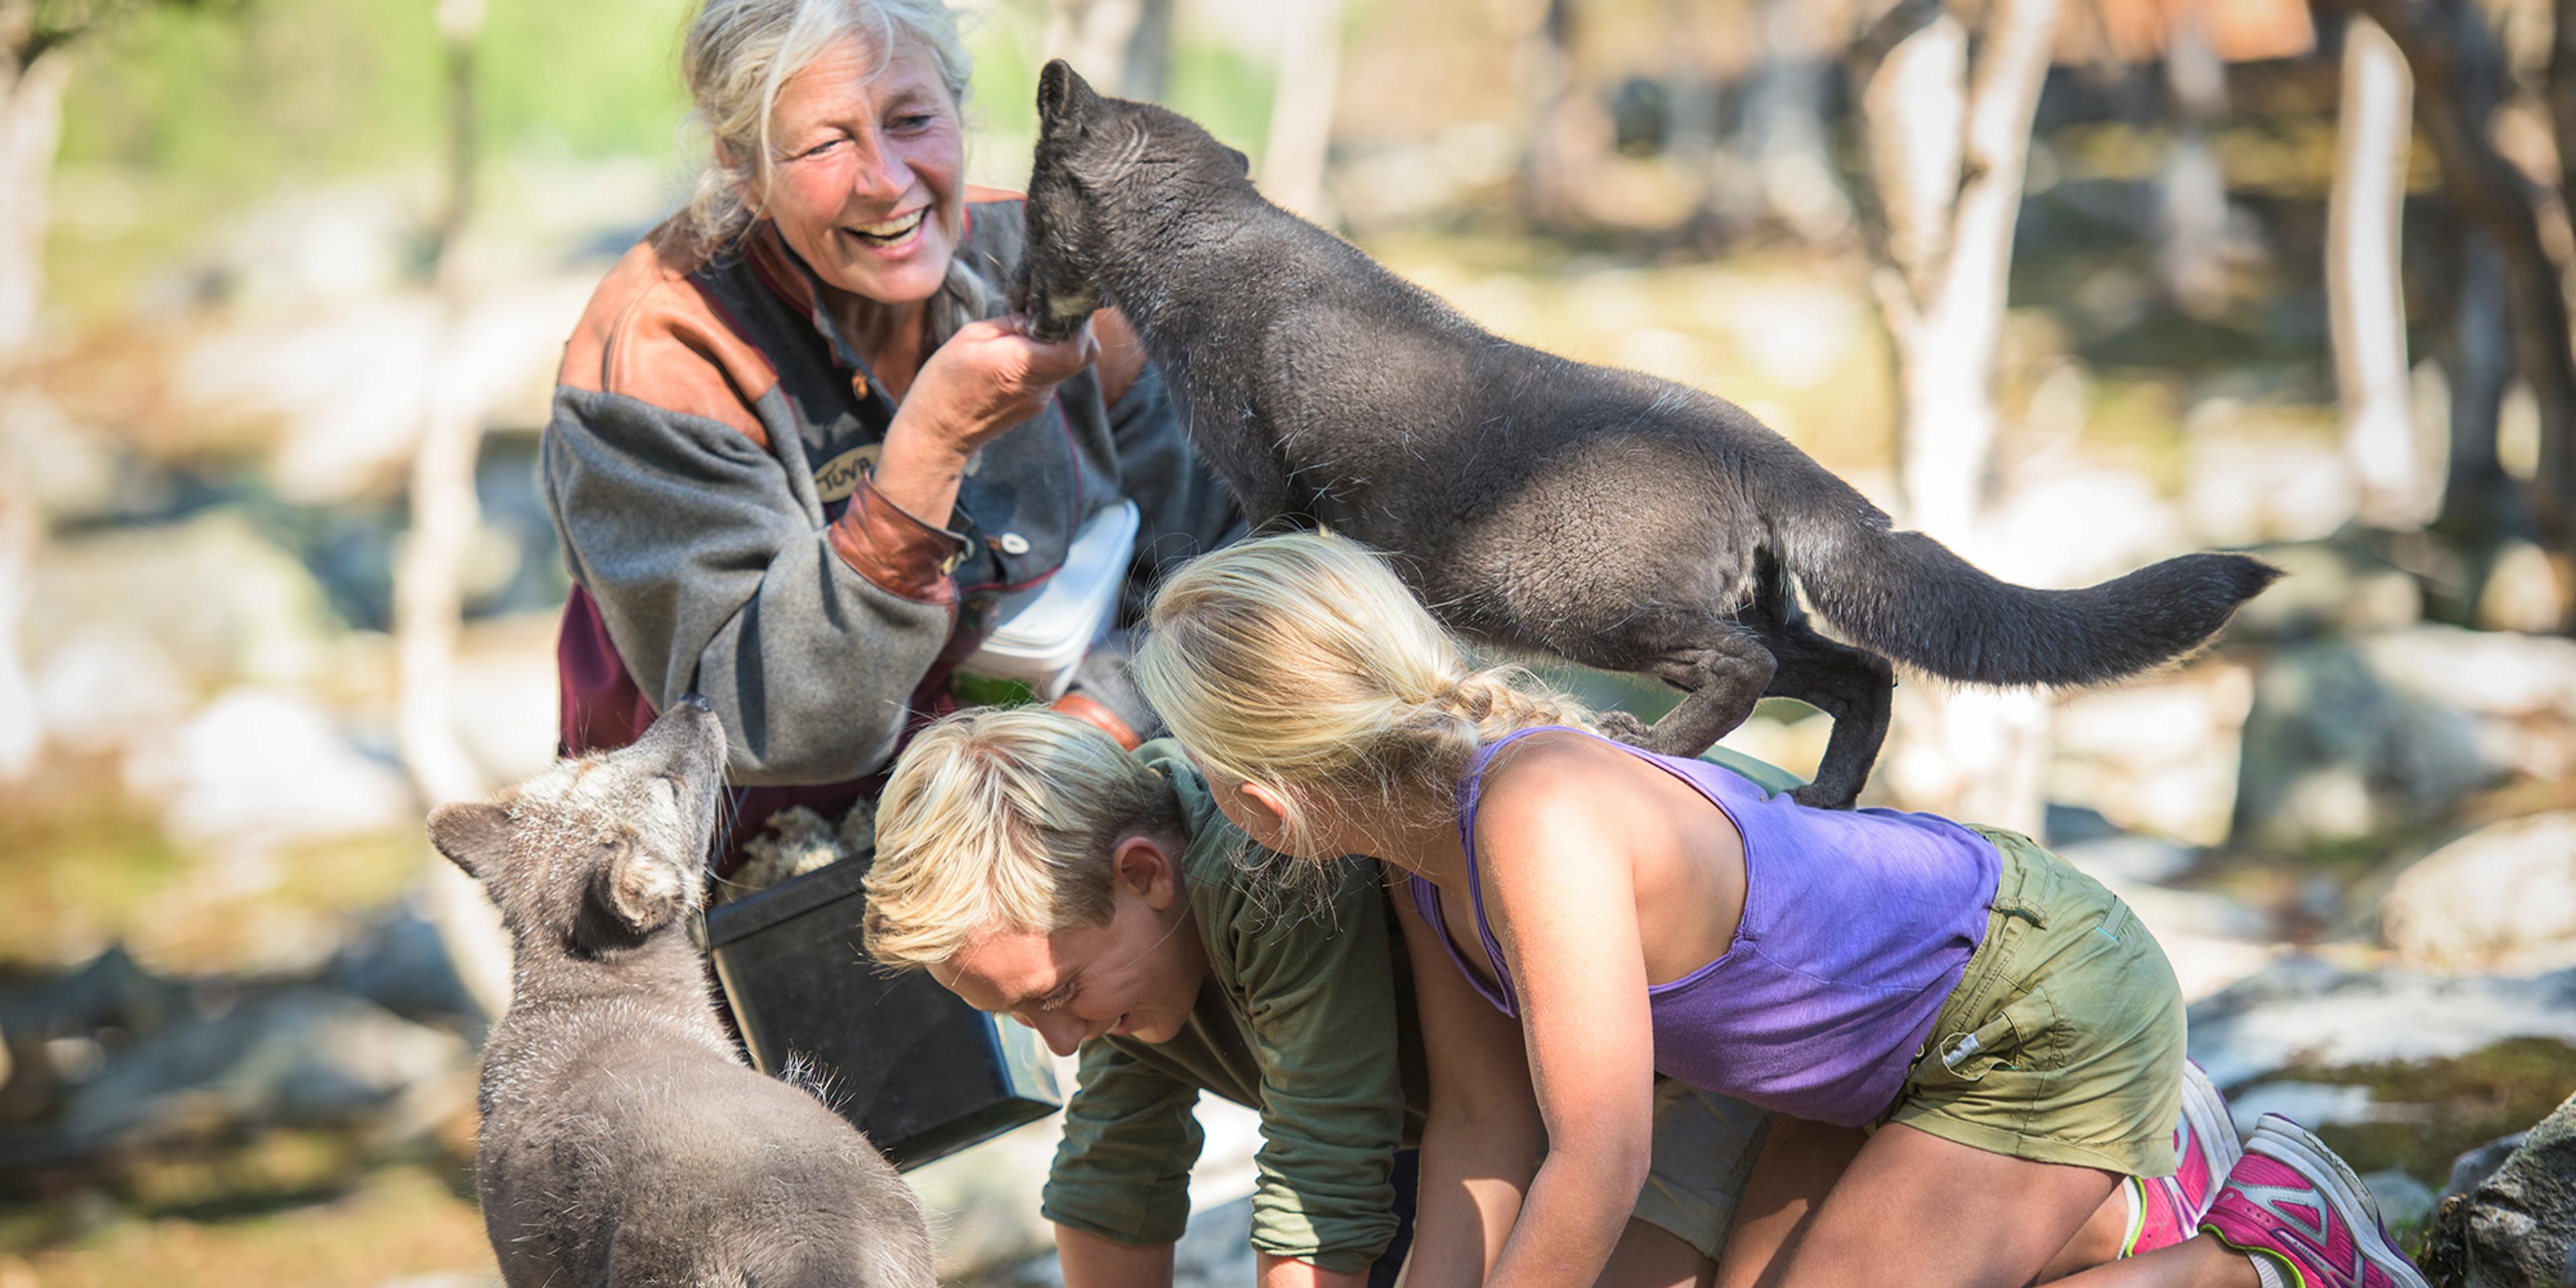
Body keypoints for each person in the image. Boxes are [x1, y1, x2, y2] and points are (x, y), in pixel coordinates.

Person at [1126, 531, 2430, 1288]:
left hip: (2031, 1005)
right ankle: (2098, 1206)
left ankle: (2264, 1251)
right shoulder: (1420, 864)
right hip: (1860, 1079)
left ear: (1259, 797)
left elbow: (1600, 1157)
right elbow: (1484, 1133)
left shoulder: (1537, 812)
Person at [542, 0, 1236, 872]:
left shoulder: (1059, 264)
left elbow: (1216, 568)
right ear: (744, 169)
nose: (886, 178)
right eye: (825, 145)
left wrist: (1080, 737)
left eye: (912, 120)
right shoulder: (663, 351)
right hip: (745, 860)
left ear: (958, 110)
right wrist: (932, 449)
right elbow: (761, 724)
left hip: (1043, 797)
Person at [859, 706, 1786, 1288]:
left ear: (1142, 874)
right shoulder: (1120, 948)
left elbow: (1322, 1159)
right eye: (1021, 1015)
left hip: (1719, 1023)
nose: (1058, 1042)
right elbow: (1117, 1167)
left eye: (1056, 995)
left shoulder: (1264, 861)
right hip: (1512, 1122)